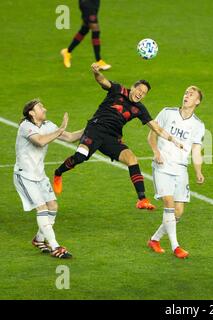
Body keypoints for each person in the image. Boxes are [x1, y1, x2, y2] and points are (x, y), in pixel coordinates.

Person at [53, 63, 184, 210]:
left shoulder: (140, 109)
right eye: (139, 89)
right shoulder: (118, 90)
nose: (140, 93)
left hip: (112, 137)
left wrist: (173, 140)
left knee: (132, 159)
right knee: (80, 157)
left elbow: (156, 128)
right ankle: (58, 173)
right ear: (133, 87)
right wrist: (96, 72)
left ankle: (142, 200)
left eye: (144, 93)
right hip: (95, 129)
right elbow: (102, 80)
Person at [14, 99, 84, 258]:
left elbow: (71, 137)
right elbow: (40, 141)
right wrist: (59, 130)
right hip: (24, 175)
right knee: (42, 208)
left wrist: (93, 127)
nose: (44, 109)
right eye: (40, 107)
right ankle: (55, 246)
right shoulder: (26, 126)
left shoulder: (48, 125)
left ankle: (39, 239)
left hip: (40, 175)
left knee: (52, 206)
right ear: (32, 112)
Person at [147, 86, 205, 259]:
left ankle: (154, 239)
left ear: (197, 101)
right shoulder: (167, 113)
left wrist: (198, 172)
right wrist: (156, 152)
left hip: (181, 169)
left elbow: (196, 150)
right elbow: (151, 135)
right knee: (169, 203)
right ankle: (175, 247)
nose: (187, 95)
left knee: (178, 211)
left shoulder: (198, 125)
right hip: (163, 165)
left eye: (191, 94)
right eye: (186, 92)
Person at [60, 0, 111, 70]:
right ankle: (99, 61)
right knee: (95, 30)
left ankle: (67, 51)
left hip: (94, 3)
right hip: (87, 3)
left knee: (85, 29)